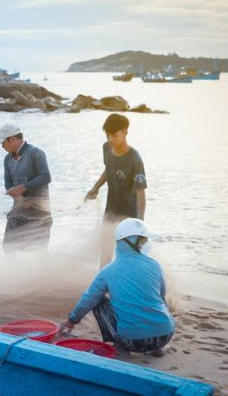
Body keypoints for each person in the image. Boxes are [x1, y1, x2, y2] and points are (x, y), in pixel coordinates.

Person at [58, 218, 175, 357]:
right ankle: (157, 348)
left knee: (99, 301)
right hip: (165, 335)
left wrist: (71, 321)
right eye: (143, 240)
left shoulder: (109, 270)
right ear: (132, 242)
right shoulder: (154, 265)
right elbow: (162, 296)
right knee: (157, 300)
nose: (146, 243)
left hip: (131, 341)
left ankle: (120, 346)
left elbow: (88, 299)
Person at [85, 113, 147, 265]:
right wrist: (96, 187)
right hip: (111, 209)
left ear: (125, 131)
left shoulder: (134, 158)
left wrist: (140, 222)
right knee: (105, 251)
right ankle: (103, 282)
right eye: (107, 135)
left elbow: (140, 193)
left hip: (129, 214)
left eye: (114, 135)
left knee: (128, 256)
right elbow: (108, 169)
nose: (110, 140)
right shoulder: (106, 148)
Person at [0, 123, 52, 253]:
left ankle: (43, 272)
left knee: (38, 250)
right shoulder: (7, 159)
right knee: (8, 246)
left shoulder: (36, 153)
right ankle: (12, 271)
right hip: (18, 209)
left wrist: (24, 187)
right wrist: (20, 199)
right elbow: (8, 184)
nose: (2, 146)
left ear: (12, 139)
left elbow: (46, 177)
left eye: (3, 143)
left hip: (39, 211)